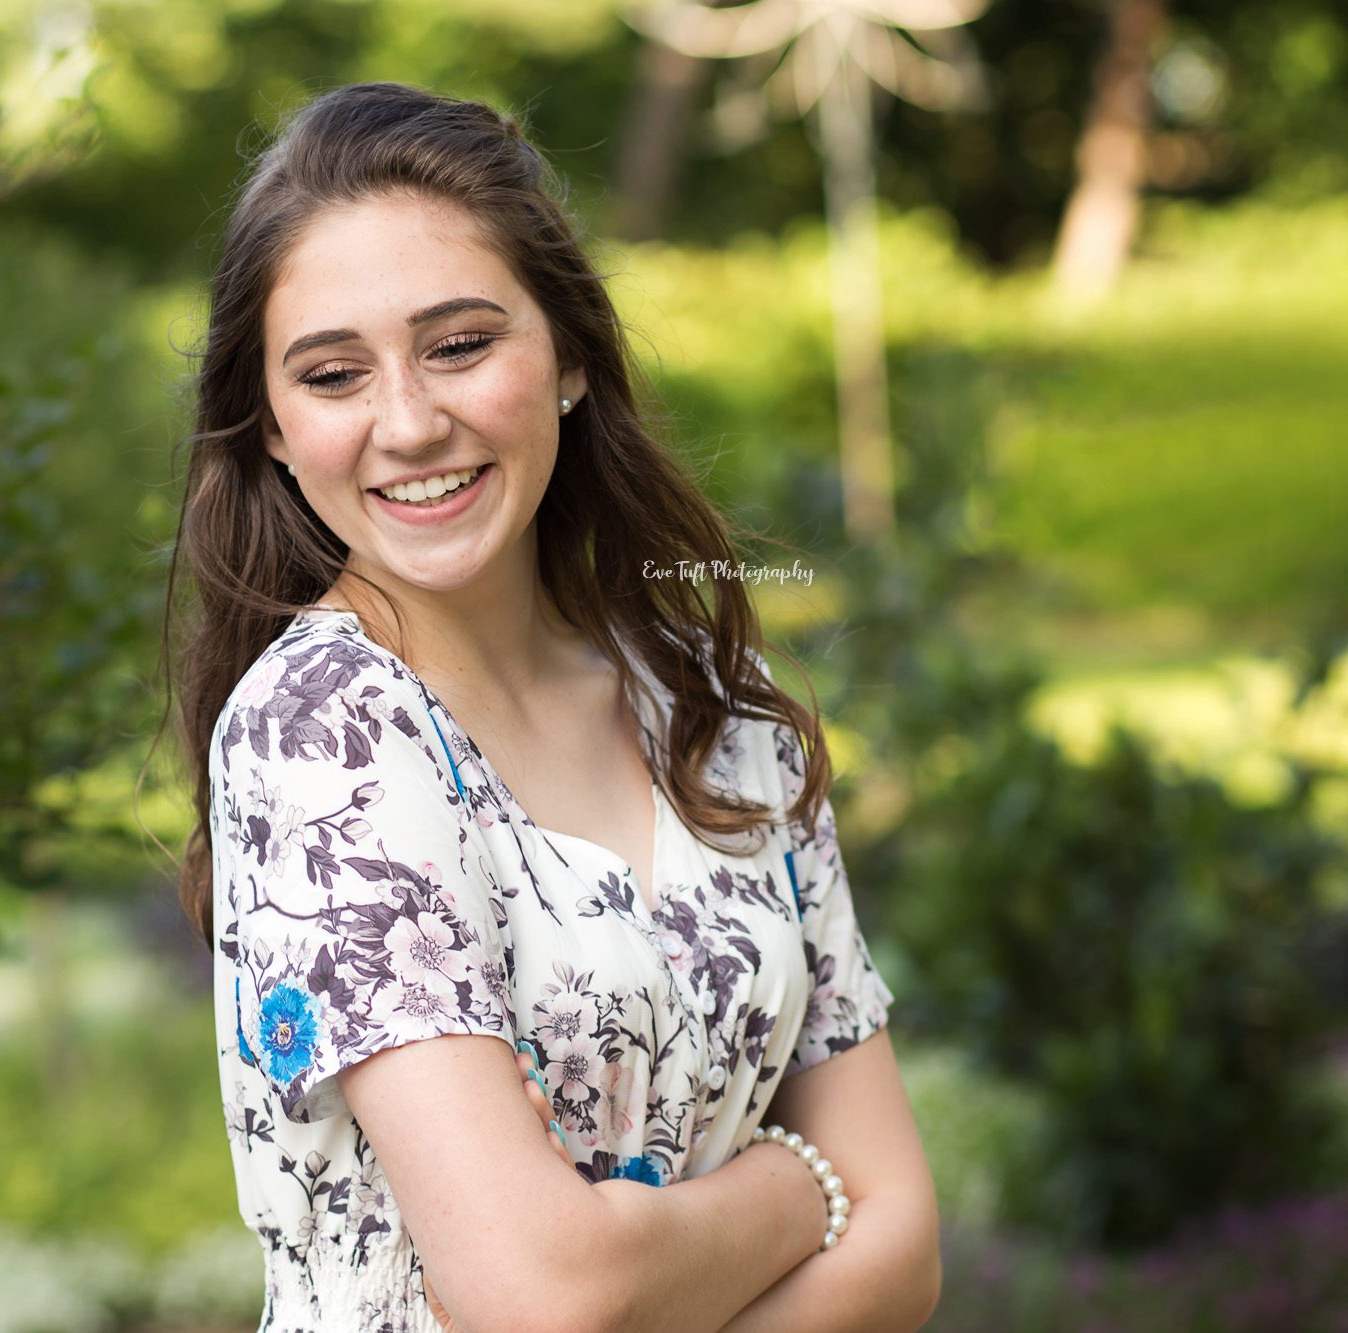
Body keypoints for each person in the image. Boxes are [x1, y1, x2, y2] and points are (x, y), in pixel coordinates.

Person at [158, 81, 941, 1333]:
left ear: (568, 356)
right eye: (332, 373)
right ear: (270, 432)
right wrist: (802, 1186)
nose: (408, 423)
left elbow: (903, 1247)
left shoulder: (716, 706)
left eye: (460, 344)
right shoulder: (324, 731)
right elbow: (540, 1294)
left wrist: (647, 1249)